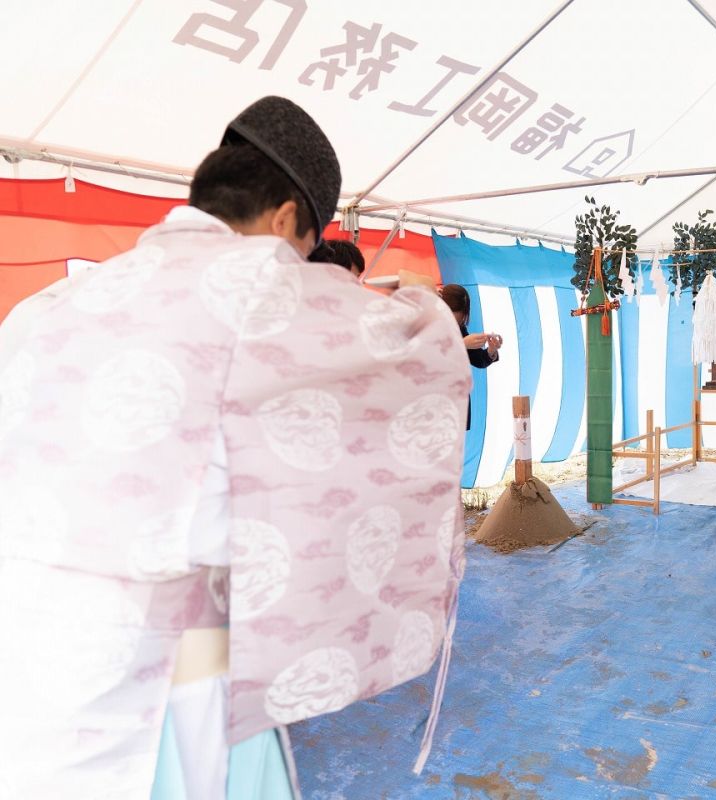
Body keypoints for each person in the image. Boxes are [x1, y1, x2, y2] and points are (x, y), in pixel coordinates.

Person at [0, 96, 471, 798]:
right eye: (309, 247)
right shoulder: (253, 283)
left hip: (29, 650)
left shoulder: (49, 307)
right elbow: (409, 346)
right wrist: (423, 300)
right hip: (168, 673)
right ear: (286, 220)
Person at [439, 283, 502, 429]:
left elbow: (477, 359)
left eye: (460, 320)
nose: (457, 324)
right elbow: (426, 356)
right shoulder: (425, 324)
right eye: (452, 317)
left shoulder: (460, 328)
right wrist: (461, 343)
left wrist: (490, 351)